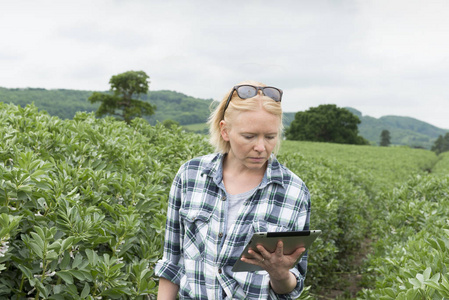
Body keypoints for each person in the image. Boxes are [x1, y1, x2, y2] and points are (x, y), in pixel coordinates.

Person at [155, 80, 311, 299]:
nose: (260, 147)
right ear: (225, 130)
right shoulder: (191, 175)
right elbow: (171, 262)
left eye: (270, 137)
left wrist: (280, 273)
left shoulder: (293, 191)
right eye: (249, 136)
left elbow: (291, 286)